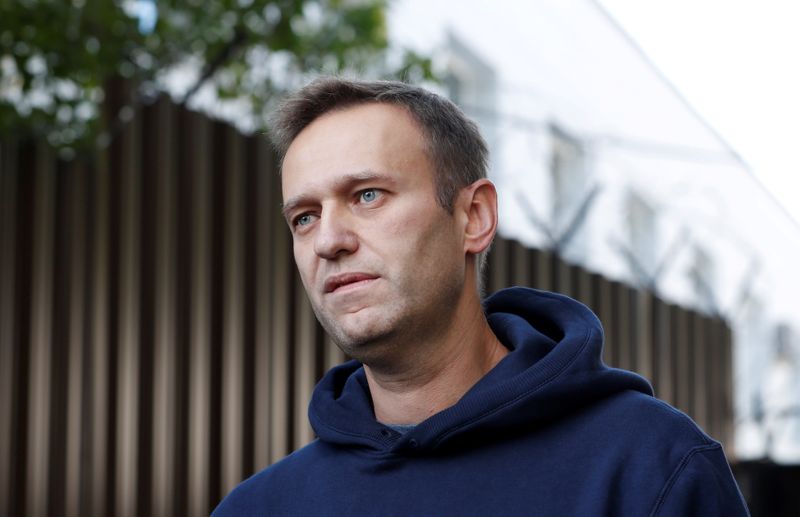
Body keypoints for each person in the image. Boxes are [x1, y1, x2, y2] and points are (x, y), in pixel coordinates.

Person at [213, 77, 749, 516]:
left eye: (367, 195)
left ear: (474, 218)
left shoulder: (652, 470)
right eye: (304, 217)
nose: (328, 241)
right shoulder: (259, 507)